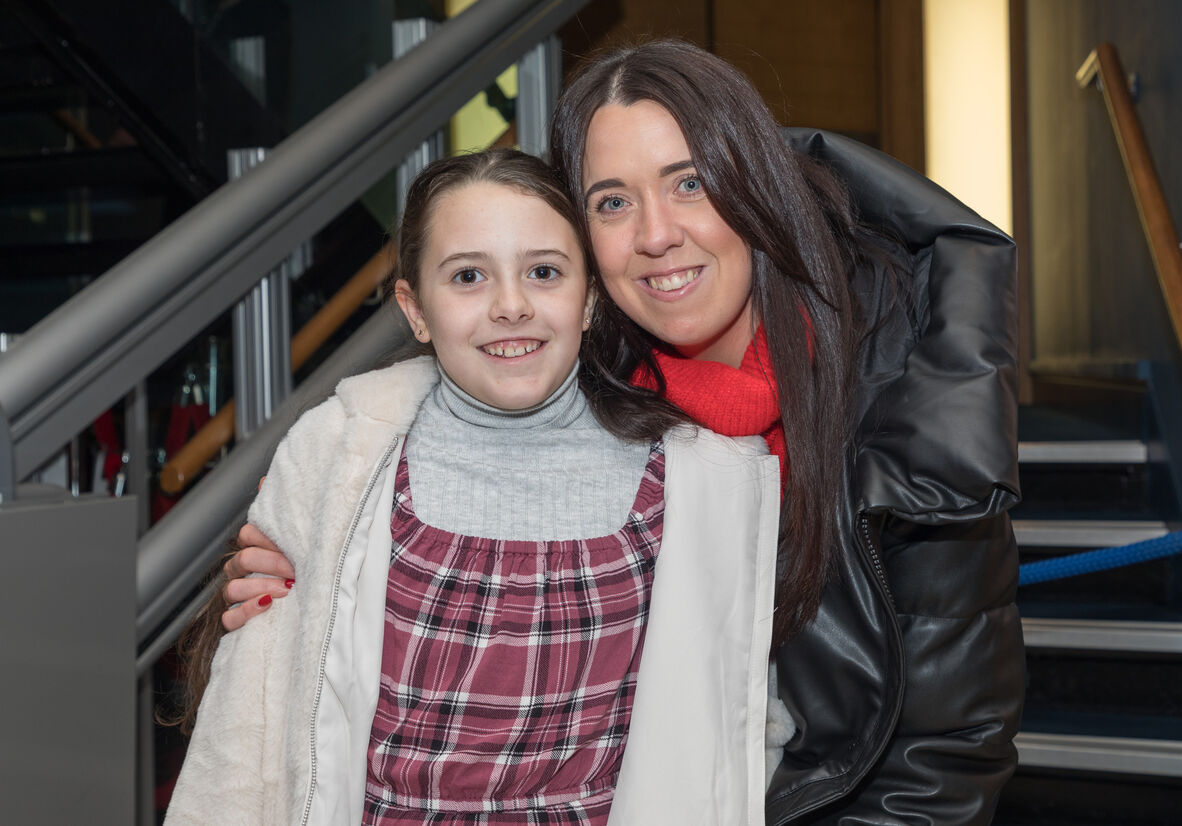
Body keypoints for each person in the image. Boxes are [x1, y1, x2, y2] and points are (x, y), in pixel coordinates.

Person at [215, 40, 1025, 825]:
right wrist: (316, 556)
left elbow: (945, 754)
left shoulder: (908, 393)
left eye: (691, 184)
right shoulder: (577, 394)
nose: (656, 234)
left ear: (756, 191)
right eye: (612, 201)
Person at [166, 148, 782, 825]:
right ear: (415, 308)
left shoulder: (701, 481)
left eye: (544, 272)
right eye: (468, 277)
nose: (511, 306)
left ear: (589, 300)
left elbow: (740, 724)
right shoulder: (338, 455)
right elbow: (251, 722)